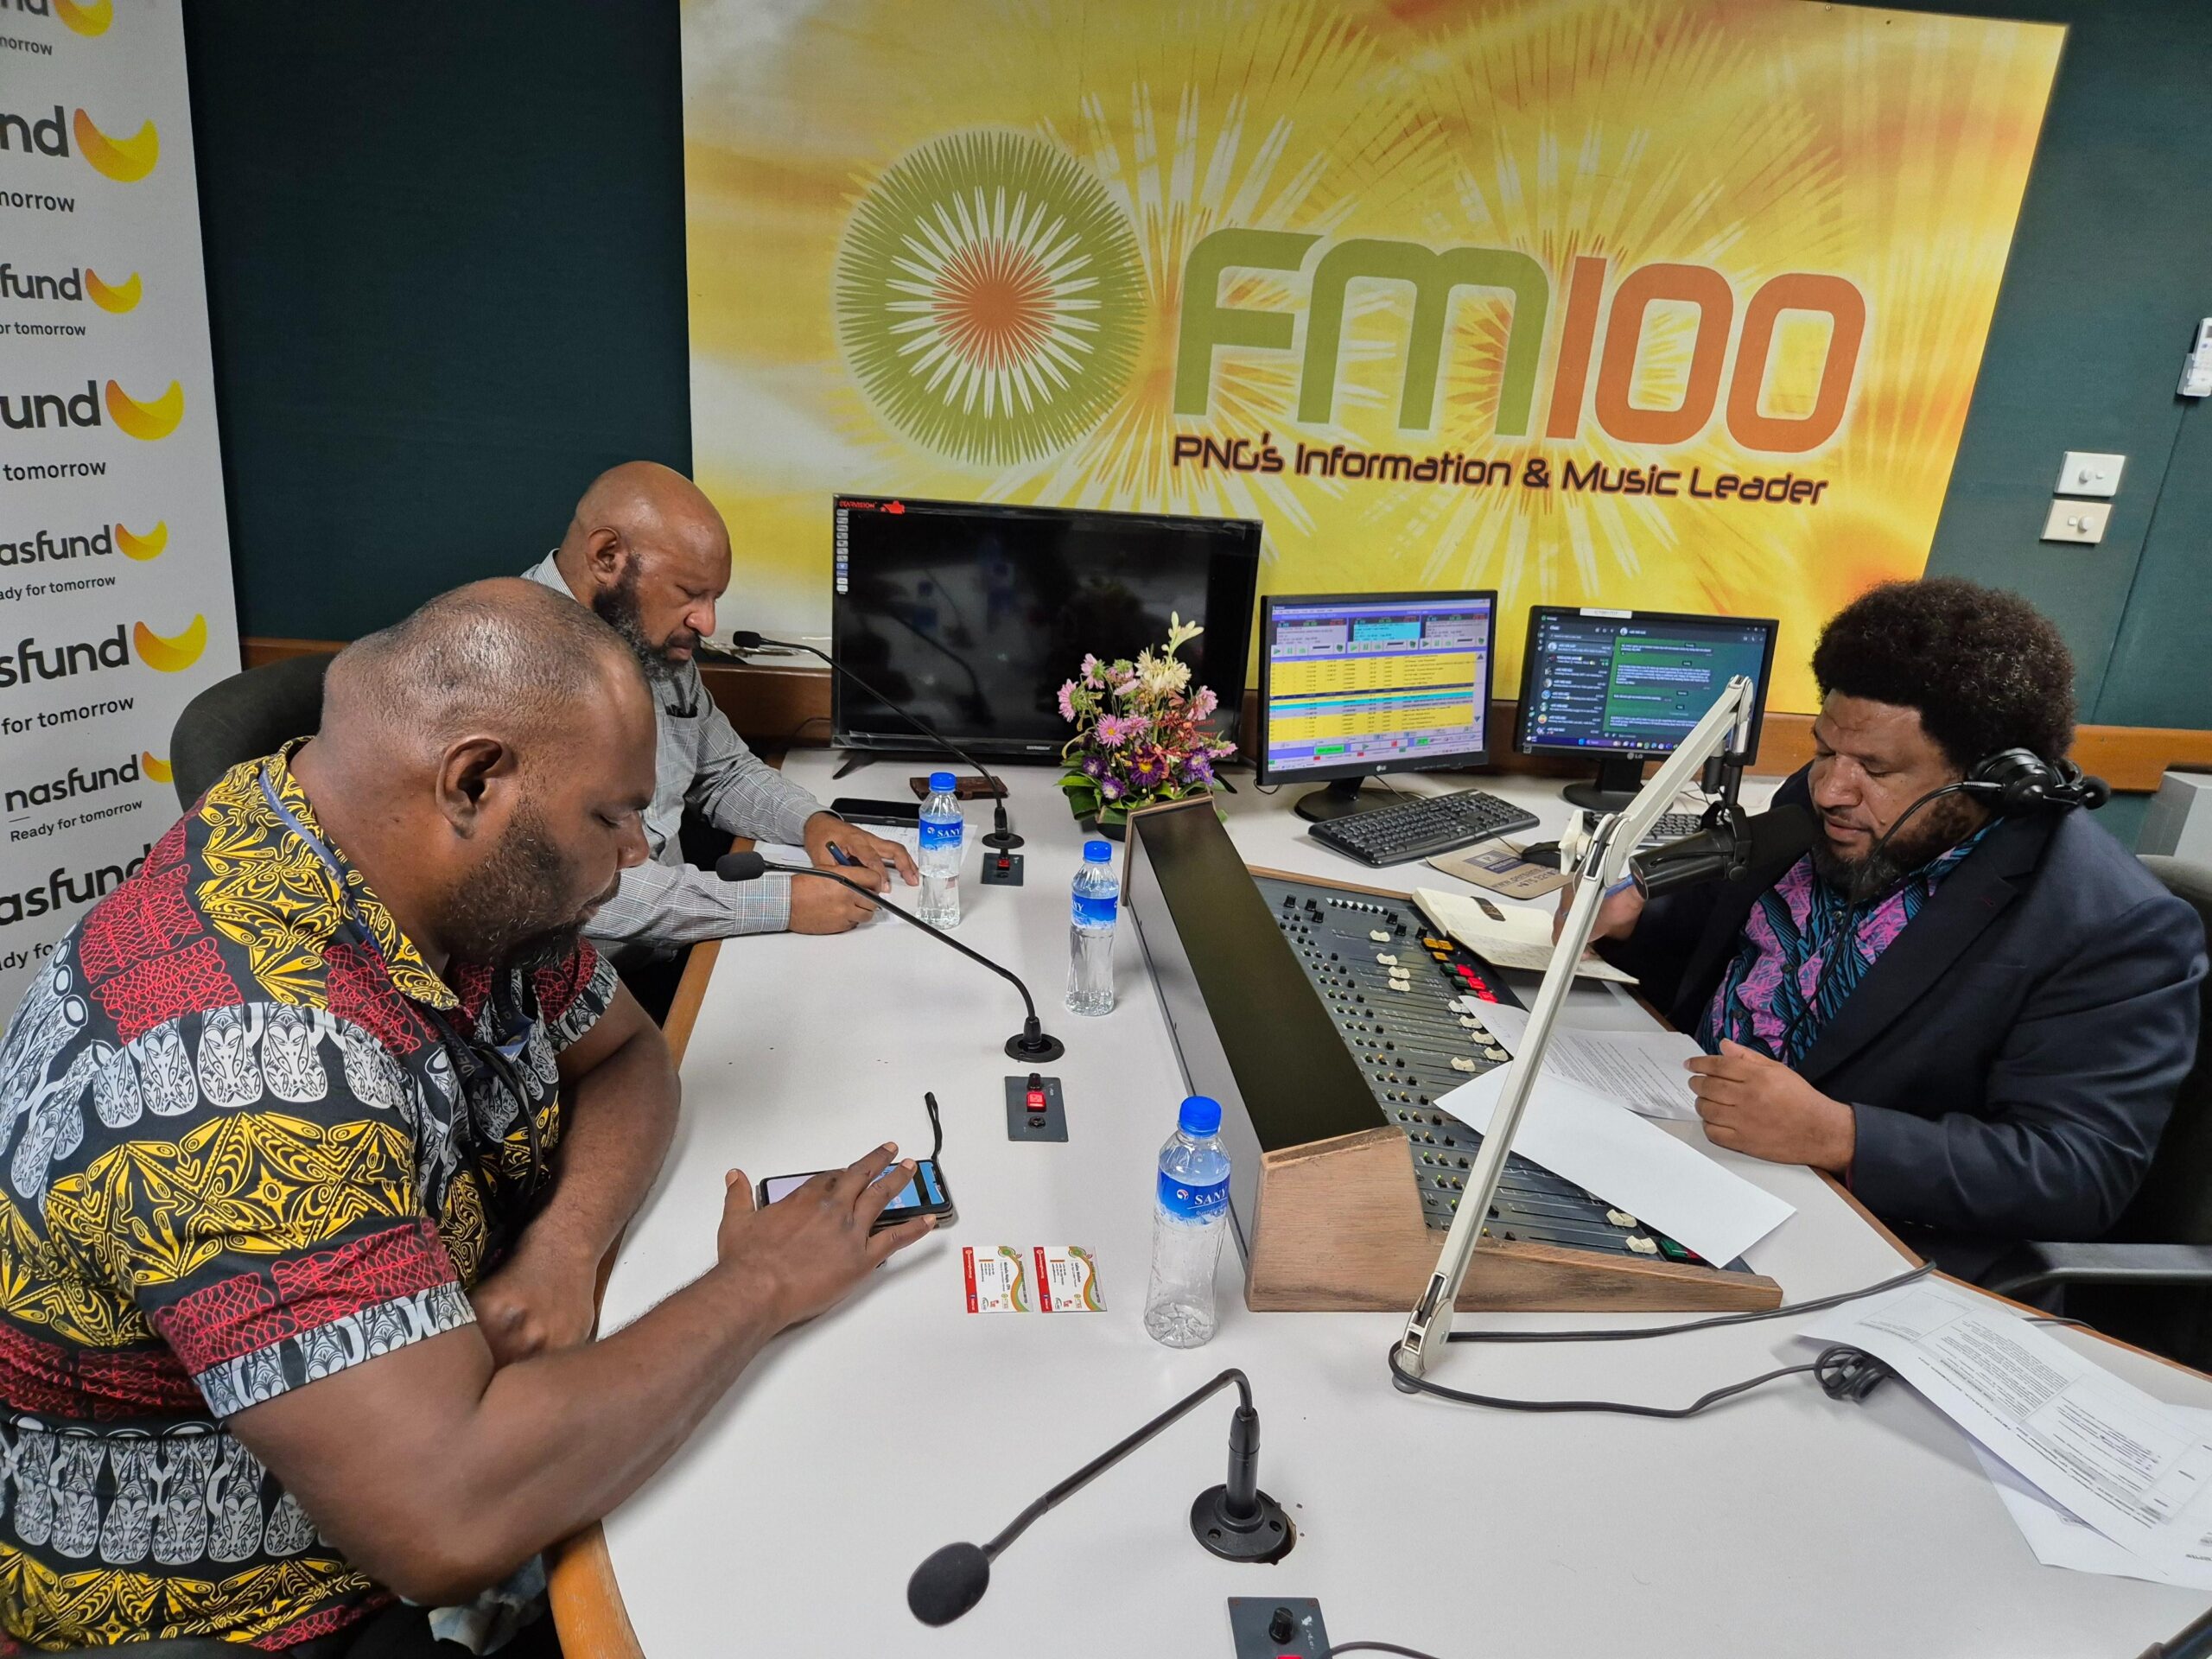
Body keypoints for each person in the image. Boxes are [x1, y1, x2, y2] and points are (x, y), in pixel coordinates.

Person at [0, 581, 932, 1653]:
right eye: (615, 817)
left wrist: (563, 1251)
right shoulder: (247, 1065)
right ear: (476, 778)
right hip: (262, 1600)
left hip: (447, 1414)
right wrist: (761, 1283)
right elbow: (448, 1518)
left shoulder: (436, 870)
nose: (636, 854)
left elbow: (627, 1054)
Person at [1586, 578, 2207, 1275]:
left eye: (1877, 768)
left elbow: (2080, 1173)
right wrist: (1626, 922)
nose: (1830, 790)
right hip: (1671, 1145)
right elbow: (1722, 946)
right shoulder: (1827, 796)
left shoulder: (2112, 928)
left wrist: (1843, 1137)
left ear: (1991, 778)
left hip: (1855, 1240)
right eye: (1824, 750)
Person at [523, 461, 917, 959]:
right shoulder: (508, 667)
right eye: (689, 594)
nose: (707, 623)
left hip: (670, 957)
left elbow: (724, 770)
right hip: (567, 991)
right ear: (606, 556)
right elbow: (570, 891)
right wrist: (776, 903)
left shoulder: (651, 639)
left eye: (714, 597)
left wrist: (813, 822)